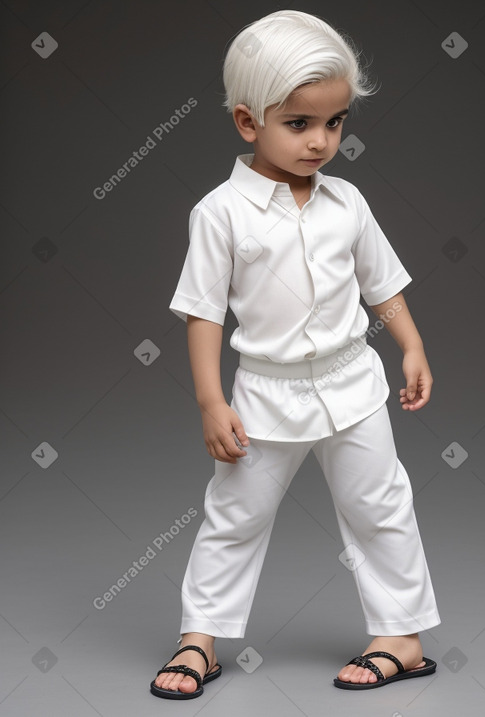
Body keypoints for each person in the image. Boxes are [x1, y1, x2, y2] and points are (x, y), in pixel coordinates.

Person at [150, 9, 441, 700]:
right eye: (300, 123)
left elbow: (383, 287)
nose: (321, 141)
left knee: (380, 503)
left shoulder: (348, 203)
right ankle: (200, 637)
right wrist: (210, 398)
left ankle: (401, 633)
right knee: (235, 514)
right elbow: (202, 312)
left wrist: (412, 345)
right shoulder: (220, 212)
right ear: (248, 122)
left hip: (353, 386)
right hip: (263, 396)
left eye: (336, 123)